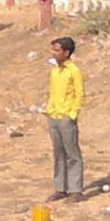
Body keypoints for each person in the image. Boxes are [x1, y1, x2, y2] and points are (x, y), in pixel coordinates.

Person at [43, 36, 85, 203]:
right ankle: (61, 188)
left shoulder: (74, 71)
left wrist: (72, 114)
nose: (54, 53)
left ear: (66, 52)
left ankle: (76, 190)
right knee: (58, 153)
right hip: (54, 116)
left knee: (72, 154)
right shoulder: (55, 70)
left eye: (57, 50)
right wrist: (49, 111)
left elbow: (79, 94)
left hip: (67, 117)